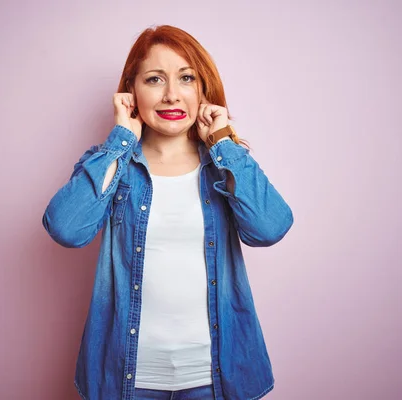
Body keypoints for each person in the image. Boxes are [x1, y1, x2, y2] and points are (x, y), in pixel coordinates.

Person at [42, 25, 293, 400]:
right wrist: (121, 140)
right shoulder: (114, 165)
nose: (171, 94)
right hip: (127, 378)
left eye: (186, 78)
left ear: (202, 91)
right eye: (155, 79)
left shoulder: (222, 166)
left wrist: (223, 141)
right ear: (131, 93)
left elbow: (270, 227)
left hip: (215, 380)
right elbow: (66, 228)